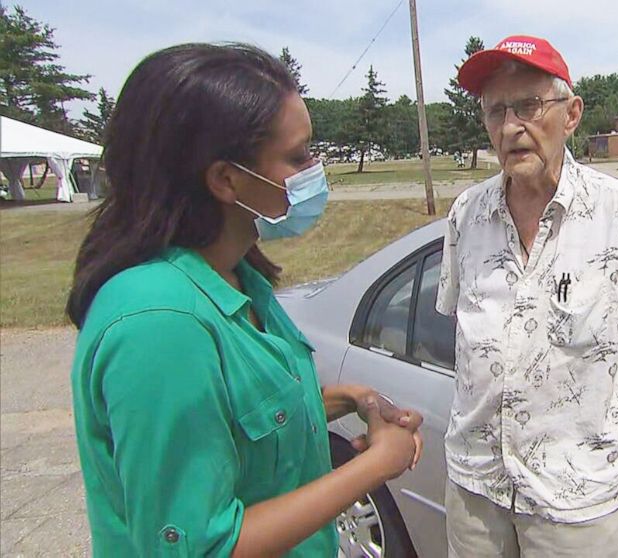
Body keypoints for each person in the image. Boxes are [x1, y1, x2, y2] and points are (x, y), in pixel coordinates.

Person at [67, 43, 423, 557]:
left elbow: (232, 435)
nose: (315, 170)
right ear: (225, 179)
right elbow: (200, 547)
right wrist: (374, 466)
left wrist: (347, 400)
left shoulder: (236, 277)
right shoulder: (160, 324)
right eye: (298, 156)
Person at [436, 35, 618, 557]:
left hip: (578, 508)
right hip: (476, 490)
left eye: (528, 106)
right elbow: (463, 335)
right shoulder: (466, 215)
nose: (510, 128)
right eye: (495, 111)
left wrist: (617, 428)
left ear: (571, 114)